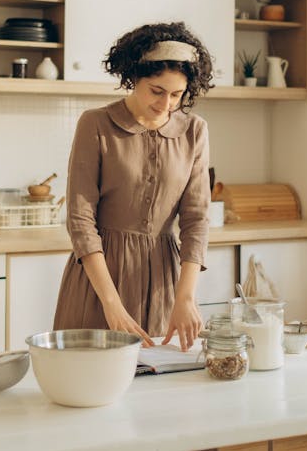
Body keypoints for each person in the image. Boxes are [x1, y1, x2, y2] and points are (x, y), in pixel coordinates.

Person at [53, 22, 214, 350]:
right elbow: (81, 220)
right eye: (157, 90)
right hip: (99, 280)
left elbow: (197, 219)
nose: (166, 103)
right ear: (133, 77)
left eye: (177, 94)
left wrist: (185, 297)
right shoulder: (96, 124)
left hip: (163, 282)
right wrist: (111, 305)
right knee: (89, 382)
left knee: (157, 388)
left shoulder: (194, 131)